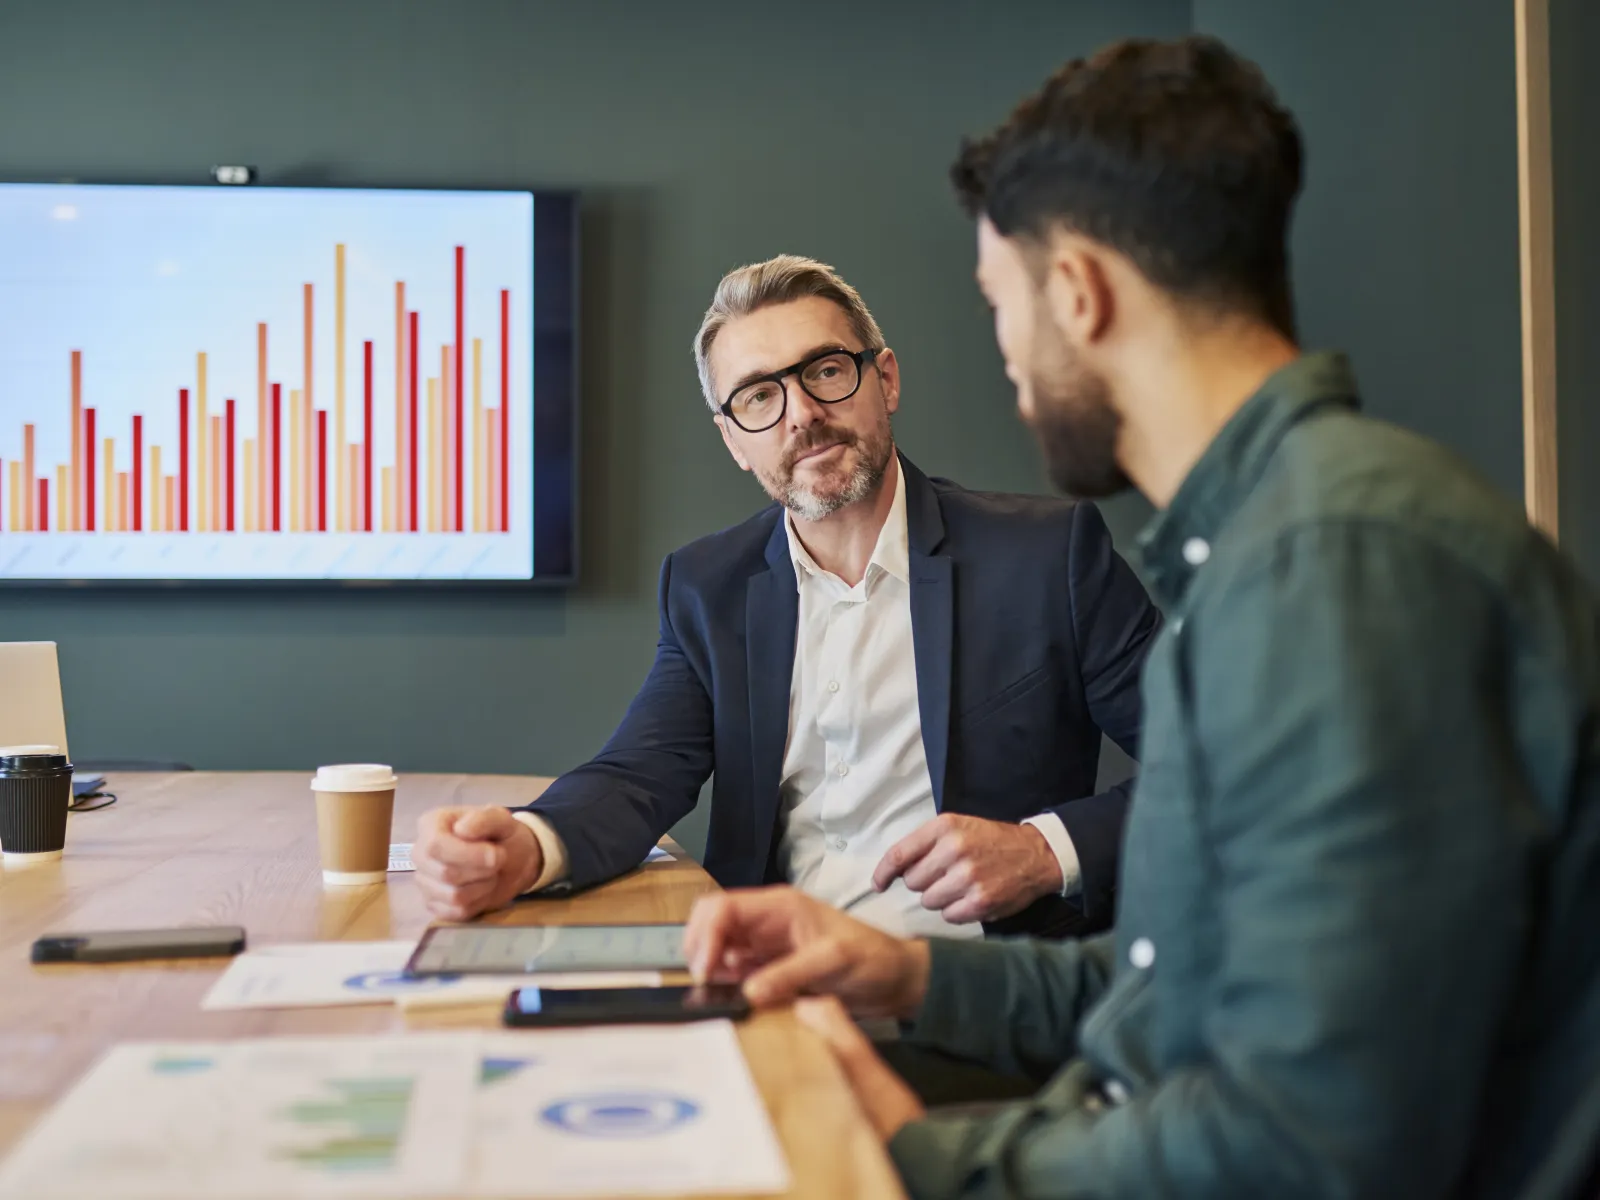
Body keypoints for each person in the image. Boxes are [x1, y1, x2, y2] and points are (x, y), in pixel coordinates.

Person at [681, 35, 1600, 1200]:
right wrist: (906, 973)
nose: (1009, 359)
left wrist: (911, 1160)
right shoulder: (1267, 546)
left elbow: (1307, 1147)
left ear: (1077, 292)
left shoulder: (1335, 568)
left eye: (999, 305)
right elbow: (1178, 979)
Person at [413, 255, 1160, 941]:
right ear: (735, 441)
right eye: (759, 397)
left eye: (826, 371)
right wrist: (529, 847)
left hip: (982, 994)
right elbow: (639, 775)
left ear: (886, 380)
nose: (800, 413)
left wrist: (1041, 849)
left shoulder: (1046, 557)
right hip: (774, 982)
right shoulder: (709, 587)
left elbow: (1216, 763)